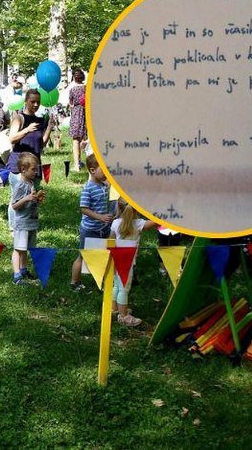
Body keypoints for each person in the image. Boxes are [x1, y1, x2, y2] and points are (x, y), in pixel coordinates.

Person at [5, 89, 55, 226]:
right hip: (18, 166)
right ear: (26, 101)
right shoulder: (19, 118)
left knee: (33, 196)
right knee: (16, 198)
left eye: (38, 102)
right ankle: (13, 227)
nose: (35, 105)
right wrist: (26, 129)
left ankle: (28, 223)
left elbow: (42, 144)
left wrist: (49, 128)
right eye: (32, 101)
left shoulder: (39, 120)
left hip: (34, 166)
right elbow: (12, 138)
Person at [110, 199, 157, 326]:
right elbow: (156, 221)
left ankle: (114, 309)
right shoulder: (139, 224)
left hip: (115, 257)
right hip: (127, 260)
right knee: (124, 288)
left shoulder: (115, 223)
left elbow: (111, 240)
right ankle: (124, 316)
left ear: (119, 209)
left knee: (117, 285)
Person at [70, 154, 113, 292]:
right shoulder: (88, 188)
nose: (107, 172)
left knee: (102, 254)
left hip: (103, 228)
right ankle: (74, 282)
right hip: (89, 229)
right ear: (93, 170)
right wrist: (100, 217)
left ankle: (100, 279)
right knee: (82, 256)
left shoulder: (104, 185)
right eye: (104, 169)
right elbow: (84, 209)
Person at [10, 153, 45, 284]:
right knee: (18, 249)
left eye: (36, 169)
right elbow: (14, 205)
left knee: (25, 249)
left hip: (31, 222)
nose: (36, 172)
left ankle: (24, 270)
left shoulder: (31, 183)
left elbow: (30, 201)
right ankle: (17, 274)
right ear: (23, 169)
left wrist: (37, 199)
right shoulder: (20, 185)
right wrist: (27, 198)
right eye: (33, 169)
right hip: (22, 223)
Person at [68, 69, 87, 170]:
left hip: (76, 113)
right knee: (84, 139)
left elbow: (70, 103)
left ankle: (76, 164)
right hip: (85, 113)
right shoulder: (86, 88)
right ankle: (81, 161)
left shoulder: (72, 89)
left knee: (76, 139)